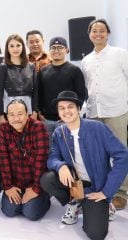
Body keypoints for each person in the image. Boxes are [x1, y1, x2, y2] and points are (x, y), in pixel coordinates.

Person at [40, 91, 128, 240]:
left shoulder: (98, 128)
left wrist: (107, 192)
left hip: (97, 189)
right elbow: (52, 157)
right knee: (47, 179)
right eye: (62, 108)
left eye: (70, 107)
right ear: (58, 112)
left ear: (79, 109)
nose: (66, 111)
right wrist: (60, 166)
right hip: (75, 185)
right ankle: (75, 202)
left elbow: (123, 156)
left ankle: (106, 206)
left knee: (96, 233)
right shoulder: (58, 132)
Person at [81, 19, 128, 210]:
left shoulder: (120, 54)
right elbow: (88, 88)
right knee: (98, 155)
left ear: (108, 33)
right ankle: (102, 188)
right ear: (89, 34)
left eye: (102, 30)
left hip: (116, 110)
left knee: (121, 153)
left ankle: (121, 193)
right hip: (94, 113)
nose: (98, 34)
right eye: (94, 31)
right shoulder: (86, 60)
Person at [0, 99, 50, 220]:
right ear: (7, 117)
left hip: (35, 182)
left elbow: (41, 162)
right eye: (12, 115)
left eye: (20, 114)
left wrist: (36, 189)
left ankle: (45, 197)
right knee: (9, 211)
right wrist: (8, 187)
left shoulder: (38, 128)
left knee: (31, 213)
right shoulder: (3, 130)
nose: (16, 119)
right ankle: (24, 200)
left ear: (27, 114)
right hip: (16, 183)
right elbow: (3, 160)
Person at [38, 37, 86, 139]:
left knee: (68, 149)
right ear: (49, 51)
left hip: (67, 119)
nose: (56, 50)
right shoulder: (43, 71)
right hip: (46, 120)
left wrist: (73, 114)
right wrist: (39, 111)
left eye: (60, 47)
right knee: (49, 151)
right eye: (53, 48)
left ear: (67, 50)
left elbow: (81, 94)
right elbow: (39, 93)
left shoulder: (75, 70)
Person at [0, 34, 38, 126]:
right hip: (9, 112)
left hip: (28, 112)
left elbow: (36, 91)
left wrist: (34, 112)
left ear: (23, 47)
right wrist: (0, 115)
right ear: (7, 48)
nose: (15, 49)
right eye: (11, 46)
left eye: (18, 45)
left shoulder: (31, 66)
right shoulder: (3, 67)